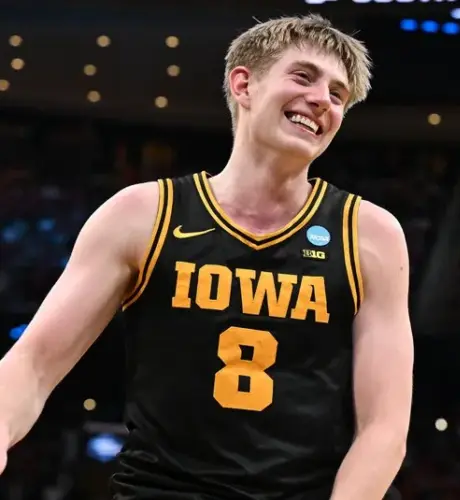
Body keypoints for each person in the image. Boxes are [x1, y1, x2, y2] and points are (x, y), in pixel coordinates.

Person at [0, 14, 413, 499]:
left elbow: (384, 429)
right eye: (303, 76)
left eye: (338, 95)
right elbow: (32, 366)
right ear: (244, 84)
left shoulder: (369, 233)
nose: (323, 98)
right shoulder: (142, 214)